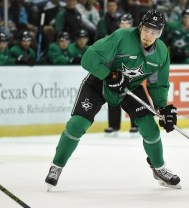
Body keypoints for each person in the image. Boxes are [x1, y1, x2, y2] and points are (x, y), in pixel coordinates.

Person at [45, 9, 181, 190]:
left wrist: (162, 108)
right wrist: (108, 75)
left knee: (151, 129)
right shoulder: (122, 37)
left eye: (154, 32)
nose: (149, 36)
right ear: (140, 27)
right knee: (77, 124)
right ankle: (57, 166)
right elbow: (88, 58)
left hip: (129, 88)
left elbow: (157, 84)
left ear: (160, 33)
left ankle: (159, 168)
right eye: (147, 30)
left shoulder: (162, 53)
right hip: (99, 83)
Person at [104, 13, 139, 135]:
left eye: (127, 23)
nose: (124, 25)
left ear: (131, 24)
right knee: (113, 97)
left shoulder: (137, 38)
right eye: (122, 23)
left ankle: (135, 124)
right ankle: (113, 126)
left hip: (132, 72)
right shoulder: (113, 37)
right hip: (116, 71)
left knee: (133, 98)